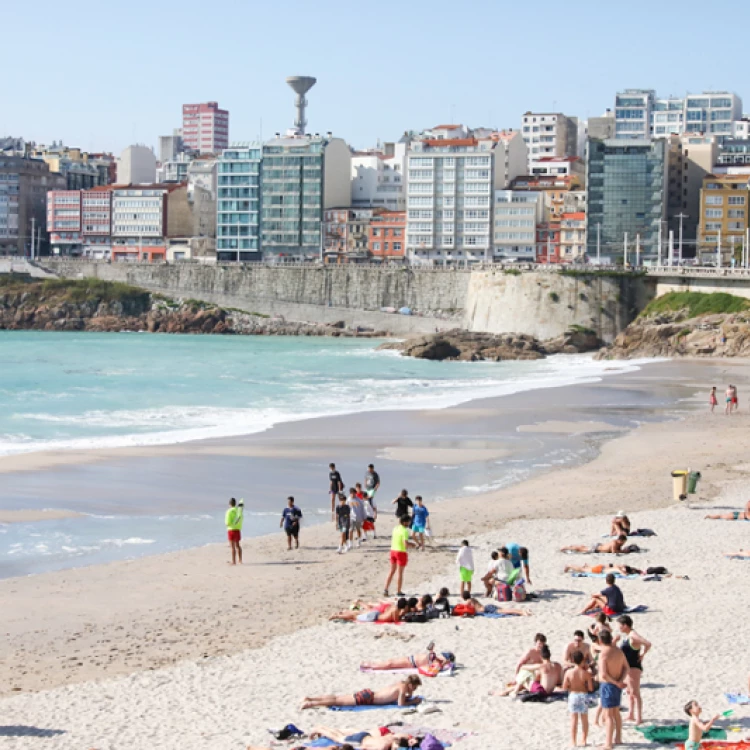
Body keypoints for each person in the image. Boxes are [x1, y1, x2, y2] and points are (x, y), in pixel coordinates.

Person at [301, 675, 422, 710]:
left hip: (369, 694)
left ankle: (311, 698)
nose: (415, 690)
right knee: (338, 701)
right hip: (368, 699)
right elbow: (400, 704)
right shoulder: (402, 689)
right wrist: (413, 701)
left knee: (338, 697)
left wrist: (410, 695)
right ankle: (311, 704)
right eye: (415, 687)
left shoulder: (400, 683)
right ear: (411, 685)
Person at [598, 629, 629, 750]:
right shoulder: (618, 651)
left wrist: (616, 682)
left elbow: (604, 674)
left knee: (608, 715)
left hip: (608, 685)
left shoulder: (604, 653)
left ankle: (608, 743)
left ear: (600, 640)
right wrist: (620, 681)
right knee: (616, 712)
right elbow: (626, 667)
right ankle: (618, 737)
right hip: (617, 684)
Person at [618, 615, 651, 725]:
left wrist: (642, 655)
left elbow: (647, 643)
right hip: (627, 667)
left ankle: (639, 717)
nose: (618, 627)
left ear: (625, 625)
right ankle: (631, 714)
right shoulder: (628, 635)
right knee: (629, 692)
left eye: (620, 625)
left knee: (635, 692)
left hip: (633, 667)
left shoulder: (633, 636)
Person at [493, 645, 561, 698]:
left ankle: (511, 692)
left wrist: (528, 665)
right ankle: (508, 691)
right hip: (550, 692)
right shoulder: (558, 665)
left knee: (525, 677)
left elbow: (523, 667)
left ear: (542, 657)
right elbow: (560, 681)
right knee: (528, 682)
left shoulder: (541, 666)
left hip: (541, 692)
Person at [563, 650, 594, 747]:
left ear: (572, 660)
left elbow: (564, 687)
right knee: (584, 719)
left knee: (573, 720)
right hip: (583, 695)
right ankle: (584, 740)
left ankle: (573, 741)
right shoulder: (585, 673)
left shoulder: (568, 672)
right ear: (583, 660)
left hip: (573, 695)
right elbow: (590, 688)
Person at [309, 725, 423, 750]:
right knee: (337, 738)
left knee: (339, 734)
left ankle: (321, 728)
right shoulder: (382, 747)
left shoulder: (394, 738)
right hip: (359, 741)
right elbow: (364, 747)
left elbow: (408, 737)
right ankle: (318, 729)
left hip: (366, 736)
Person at [360, 646, 455, 673]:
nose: (441, 656)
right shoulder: (437, 659)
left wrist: (442, 665)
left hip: (411, 662)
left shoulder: (438, 664)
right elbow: (431, 651)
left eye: (443, 656)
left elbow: (432, 671)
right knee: (390, 662)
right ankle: (372, 664)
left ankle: (370, 666)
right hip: (410, 658)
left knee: (390, 664)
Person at [384, 515, 416, 597]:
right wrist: (412, 545)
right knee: (400, 573)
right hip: (401, 552)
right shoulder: (405, 531)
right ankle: (398, 591)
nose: (409, 523)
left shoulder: (395, 528)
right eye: (408, 521)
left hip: (393, 551)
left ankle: (386, 589)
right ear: (405, 522)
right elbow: (405, 544)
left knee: (391, 571)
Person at [329, 597, 409, 623]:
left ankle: (340, 614)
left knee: (356, 614)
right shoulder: (395, 610)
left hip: (377, 614)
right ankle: (337, 616)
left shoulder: (393, 607)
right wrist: (403, 616)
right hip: (375, 616)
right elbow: (396, 620)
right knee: (354, 617)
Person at [560, 535, 628, 555]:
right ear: (620, 541)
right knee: (581, 549)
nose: (624, 543)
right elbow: (614, 551)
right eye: (623, 542)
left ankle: (571, 546)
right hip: (597, 548)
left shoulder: (616, 543)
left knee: (583, 547)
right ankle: (566, 547)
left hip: (598, 547)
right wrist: (623, 552)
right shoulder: (614, 543)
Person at [225, 497, 243, 565]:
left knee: (232, 546)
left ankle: (233, 561)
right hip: (237, 529)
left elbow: (227, 522)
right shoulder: (238, 511)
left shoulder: (229, 511)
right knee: (238, 545)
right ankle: (240, 560)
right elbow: (241, 519)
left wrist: (227, 525)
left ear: (229, 504)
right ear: (235, 504)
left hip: (231, 529)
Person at [564, 562, 643, 576]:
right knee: (582, 570)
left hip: (602, 567)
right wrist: (626, 573)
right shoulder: (618, 569)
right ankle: (569, 565)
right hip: (600, 570)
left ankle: (588, 566)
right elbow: (624, 574)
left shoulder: (619, 566)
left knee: (586, 569)